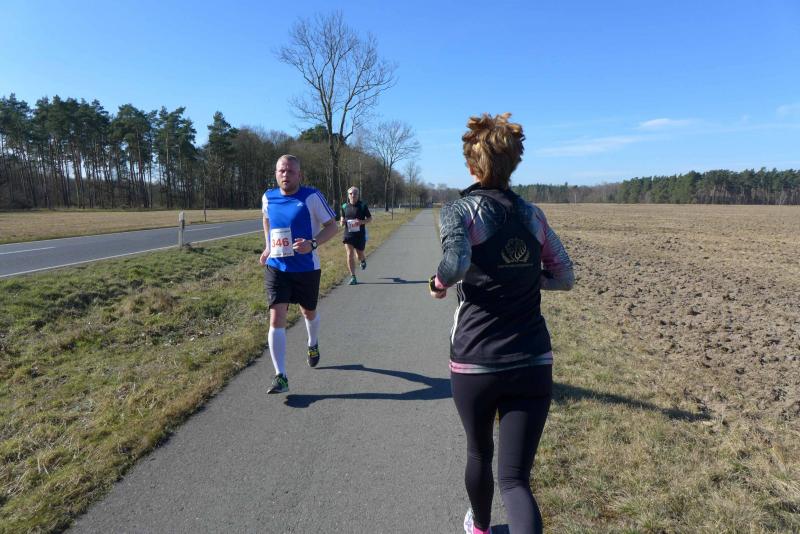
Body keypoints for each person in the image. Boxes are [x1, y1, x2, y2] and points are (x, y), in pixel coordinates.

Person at [429, 113, 574, 534]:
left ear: (471, 164)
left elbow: (456, 263)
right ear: (513, 163)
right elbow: (565, 276)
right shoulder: (533, 215)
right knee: (515, 480)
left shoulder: (459, 210)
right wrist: (528, 277)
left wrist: (437, 283)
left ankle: (479, 527)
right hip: (532, 359)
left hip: (476, 358)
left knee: (479, 453)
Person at [259, 155, 339, 394]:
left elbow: (333, 226)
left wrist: (312, 244)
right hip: (277, 267)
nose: (285, 175)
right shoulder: (268, 197)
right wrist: (267, 247)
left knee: (308, 312)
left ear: (299, 175)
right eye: (281, 171)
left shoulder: (311, 197)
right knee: (276, 317)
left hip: (306, 268)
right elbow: (266, 220)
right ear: (276, 173)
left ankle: (312, 343)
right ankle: (280, 376)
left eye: (290, 171)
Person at [339, 186, 372, 285]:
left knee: (359, 255)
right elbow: (342, 219)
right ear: (348, 195)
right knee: (349, 254)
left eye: (355, 194)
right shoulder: (344, 206)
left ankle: (363, 260)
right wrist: (341, 222)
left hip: (360, 235)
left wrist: (361, 222)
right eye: (351, 194)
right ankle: (353, 277)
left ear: (358, 195)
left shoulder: (362, 206)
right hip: (348, 235)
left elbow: (370, 219)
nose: (353, 195)